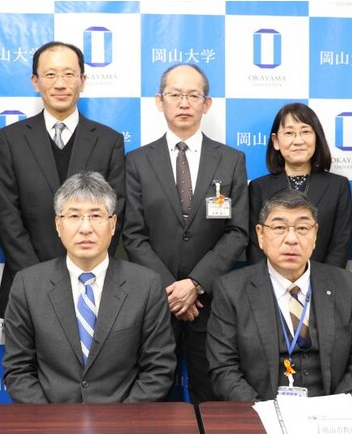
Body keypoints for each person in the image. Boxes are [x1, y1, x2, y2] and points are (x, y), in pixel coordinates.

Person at [123, 63, 248, 403]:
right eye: (175, 94)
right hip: (155, 302)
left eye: (193, 95)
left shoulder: (231, 160)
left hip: (211, 302)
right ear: (159, 101)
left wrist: (194, 284)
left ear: (206, 104)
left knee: (212, 398)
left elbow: (237, 231)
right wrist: (172, 291)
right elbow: (133, 234)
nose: (184, 103)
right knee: (152, 400)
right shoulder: (137, 161)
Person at [3, 172, 176, 403]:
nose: (86, 228)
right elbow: (18, 371)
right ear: (58, 225)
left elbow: (158, 370)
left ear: (113, 224)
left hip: (123, 418)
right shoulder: (28, 285)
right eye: (74, 216)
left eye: (96, 216)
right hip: (52, 418)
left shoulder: (146, 286)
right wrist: (51, 420)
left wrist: (120, 420)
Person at [0, 41, 125, 318]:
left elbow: (115, 213)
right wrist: (36, 279)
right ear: (35, 81)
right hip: (27, 283)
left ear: (83, 81)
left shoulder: (108, 141)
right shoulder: (11, 139)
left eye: (69, 74)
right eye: (50, 75)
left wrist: (86, 271)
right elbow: (7, 216)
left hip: (93, 285)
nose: (60, 84)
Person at [207, 190, 352, 401]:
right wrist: (262, 411)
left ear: (315, 234)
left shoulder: (344, 285)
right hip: (262, 410)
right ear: (260, 235)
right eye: (279, 228)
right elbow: (224, 369)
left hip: (331, 410)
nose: (291, 239)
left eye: (302, 228)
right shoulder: (231, 289)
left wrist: (336, 408)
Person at [247, 103, 351, 267]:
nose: (298, 140)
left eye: (305, 132)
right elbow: (255, 247)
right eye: (289, 133)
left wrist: (324, 280)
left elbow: (340, 245)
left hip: (323, 279)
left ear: (316, 138)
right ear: (276, 141)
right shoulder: (258, 187)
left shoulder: (338, 186)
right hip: (269, 281)